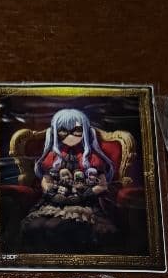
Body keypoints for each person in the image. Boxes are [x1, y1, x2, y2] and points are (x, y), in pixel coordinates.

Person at [19, 108, 118, 252]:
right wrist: (51, 193)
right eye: (63, 131)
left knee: (57, 226)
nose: (70, 135)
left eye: (76, 130)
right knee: (35, 225)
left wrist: (85, 194)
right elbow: (46, 180)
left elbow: (102, 185)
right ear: (55, 132)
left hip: (85, 203)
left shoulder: (92, 158)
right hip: (55, 202)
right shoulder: (53, 156)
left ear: (84, 130)